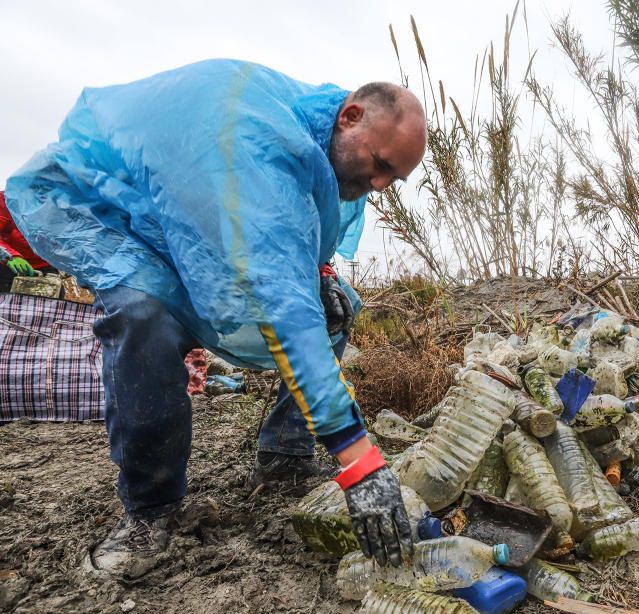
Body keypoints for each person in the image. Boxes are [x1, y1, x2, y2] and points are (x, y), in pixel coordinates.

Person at [4, 59, 426, 579]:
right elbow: (280, 295)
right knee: (143, 315)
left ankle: (285, 457)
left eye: (394, 178)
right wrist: (358, 460)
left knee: (333, 302)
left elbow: (289, 234)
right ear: (353, 116)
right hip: (125, 221)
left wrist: (319, 272)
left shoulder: (318, 129)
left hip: (198, 229)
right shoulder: (260, 137)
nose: (381, 184)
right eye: (380, 164)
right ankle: (150, 508)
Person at [0, 191, 50, 291]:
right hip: (8, 264)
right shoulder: (4, 200)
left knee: (52, 302)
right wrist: (9, 256)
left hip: (45, 266)